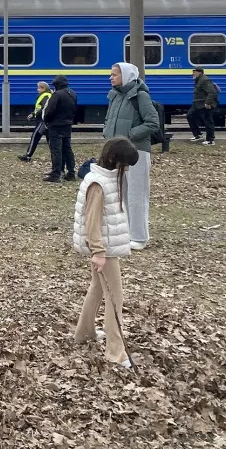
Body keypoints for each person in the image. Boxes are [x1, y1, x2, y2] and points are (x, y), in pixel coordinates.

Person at [73, 137, 140, 370]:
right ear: (114, 160)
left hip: (105, 248)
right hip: (105, 251)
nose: (128, 169)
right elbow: (92, 223)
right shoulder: (98, 184)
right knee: (115, 298)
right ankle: (115, 352)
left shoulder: (106, 179)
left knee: (98, 288)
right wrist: (99, 252)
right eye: (126, 164)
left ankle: (84, 333)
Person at [103, 62, 161, 251]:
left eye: (114, 75)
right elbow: (109, 120)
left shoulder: (140, 96)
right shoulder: (115, 96)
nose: (110, 77)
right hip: (119, 151)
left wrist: (128, 135)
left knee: (137, 194)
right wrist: (108, 134)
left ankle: (139, 236)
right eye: (111, 74)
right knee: (122, 193)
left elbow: (153, 123)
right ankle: (127, 232)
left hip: (137, 151)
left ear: (127, 76)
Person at [42, 74, 77, 183]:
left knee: (56, 150)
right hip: (67, 125)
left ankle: (56, 174)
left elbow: (50, 110)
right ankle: (71, 173)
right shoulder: (72, 93)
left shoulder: (57, 95)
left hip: (56, 125)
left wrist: (46, 120)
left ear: (56, 85)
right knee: (67, 149)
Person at [18, 82, 52, 163]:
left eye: (39, 88)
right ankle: (56, 157)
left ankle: (28, 156)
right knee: (50, 139)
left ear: (43, 88)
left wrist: (37, 114)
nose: (37, 90)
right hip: (45, 121)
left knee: (35, 137)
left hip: (42, 121)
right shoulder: (46, 95)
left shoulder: (46, 96)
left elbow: (44, 108)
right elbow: (39, 108)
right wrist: (33, 114)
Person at [187, 66, 218, 146]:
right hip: (198, 103)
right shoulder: (198, 80)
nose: (193, 73)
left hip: (205, 103)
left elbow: (212, 92)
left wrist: (208, 103)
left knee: (208, 121)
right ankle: (198, 135)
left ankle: (210, 140)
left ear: (199, 72)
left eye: (194, 72)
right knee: (190, 116)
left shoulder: (205, 80)